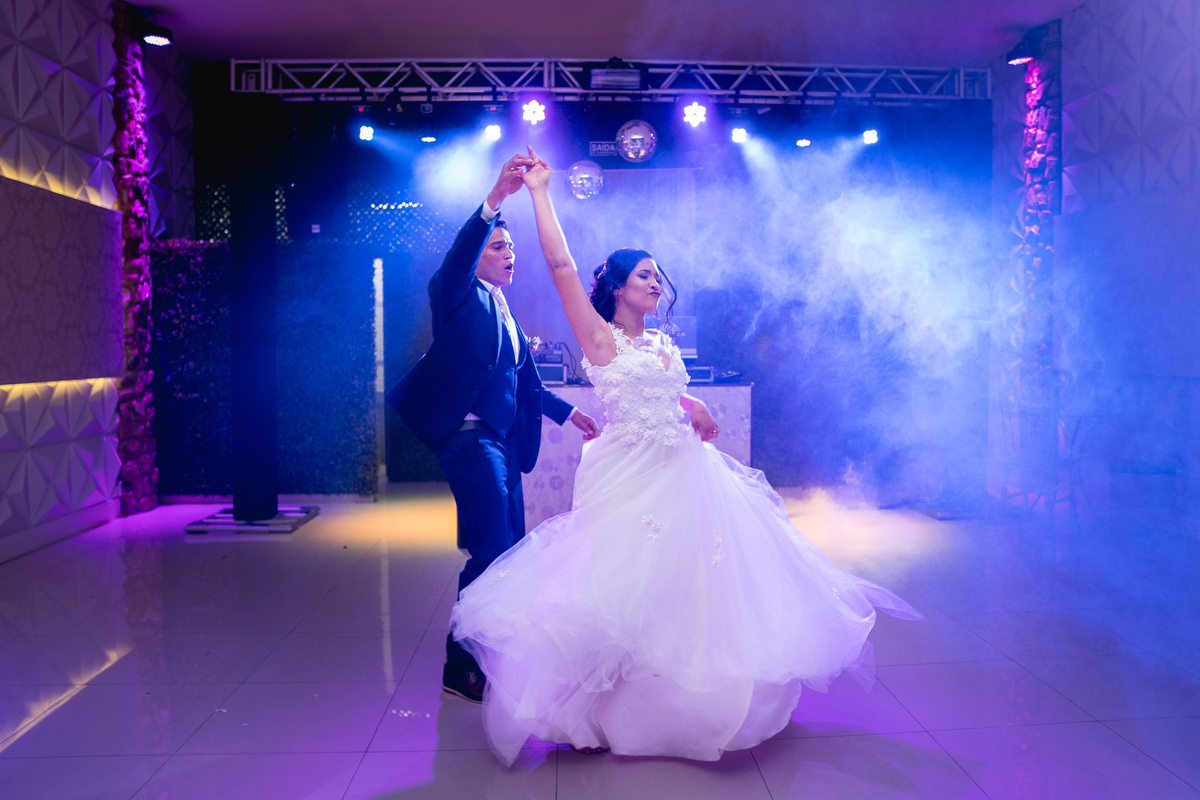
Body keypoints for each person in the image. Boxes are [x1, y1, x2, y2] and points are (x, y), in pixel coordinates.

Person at [449, 147, 921, 766]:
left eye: (657, 275)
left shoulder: (663, 342)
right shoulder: (598, 336)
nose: (655, 283)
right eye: (644, 274)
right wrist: (539, 192)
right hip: (628, 475)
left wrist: (692, 405)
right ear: (617, 288)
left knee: (693, 583)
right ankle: (607, 706)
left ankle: (685, 703)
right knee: (623, 586)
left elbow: (664, 389)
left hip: (684, 473)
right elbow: (562, 264)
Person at [387, 154, 599, 704]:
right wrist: (496, 199)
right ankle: (463, 664)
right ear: (478, 256)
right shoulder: (456, 294)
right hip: (468, 439)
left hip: (501, 441)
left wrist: (567, 413)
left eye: (512, 248)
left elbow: (526, 382)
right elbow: (458, 256)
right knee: (494, 550)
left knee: (501, 553)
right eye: (500, 247)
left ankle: (481, 655)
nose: (511, 255)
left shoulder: (502, 307)